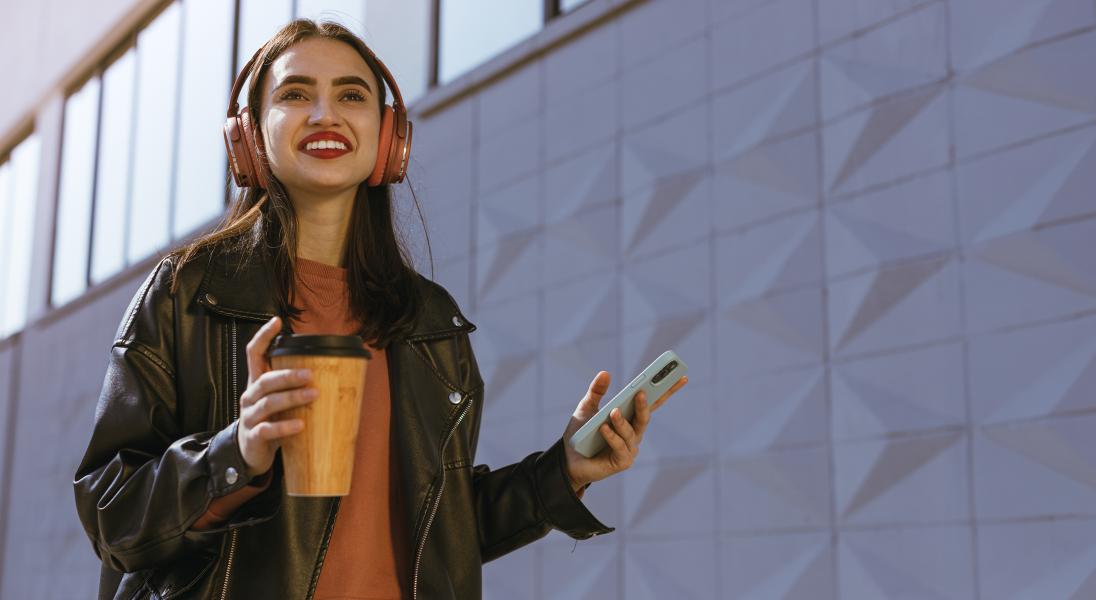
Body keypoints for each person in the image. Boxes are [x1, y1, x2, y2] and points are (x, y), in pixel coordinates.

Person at [72, 19, 687, 599]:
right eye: (294, 93)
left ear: (388, 139)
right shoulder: (186, 293)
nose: (324, 114)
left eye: (351, 96)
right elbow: (112, 516)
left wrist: (566, 470)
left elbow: (436, 525)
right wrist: (236, 456)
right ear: (250, 135)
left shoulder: (428, 318)